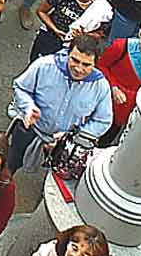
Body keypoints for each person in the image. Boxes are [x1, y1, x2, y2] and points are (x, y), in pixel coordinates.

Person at [6, 32, 112, 172]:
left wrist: (73, 136)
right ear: (68, 53)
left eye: (86, 64)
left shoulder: (101, 86)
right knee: (10, 163)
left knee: (56, 176)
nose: (79, 68)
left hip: (66, 144)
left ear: (96, 63)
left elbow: (103, 120)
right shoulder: (44, 65)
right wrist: (28, 107)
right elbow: (21, 87)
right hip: (30, 130)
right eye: (74, 60)